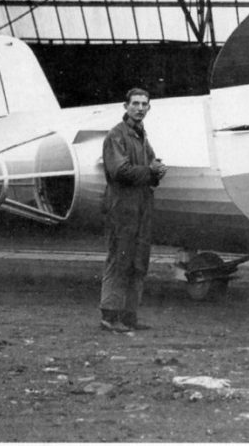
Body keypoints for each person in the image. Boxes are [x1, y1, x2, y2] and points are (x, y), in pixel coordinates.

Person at [99, 87, 168, 333]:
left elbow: (150, 167)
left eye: (144, 104)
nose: (139, 108)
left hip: (141, 207)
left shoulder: (141, 136)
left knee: (138, 261)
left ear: (149, 107)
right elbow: (120, 171)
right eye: (135, 103)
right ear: (125, 106)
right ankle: (110, 315)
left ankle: (129, 316)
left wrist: (156, 171)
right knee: (120, 260)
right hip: (122, 208)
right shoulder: (116, 136)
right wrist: (151, 172)